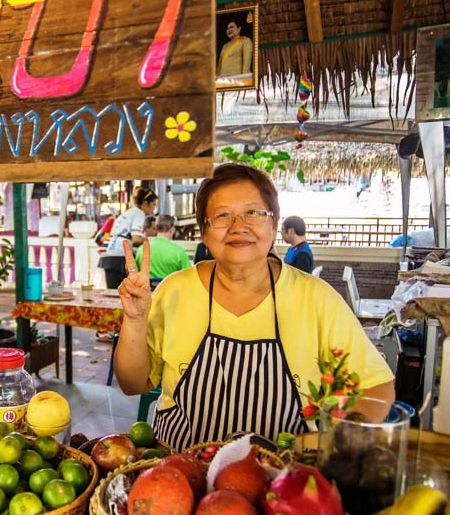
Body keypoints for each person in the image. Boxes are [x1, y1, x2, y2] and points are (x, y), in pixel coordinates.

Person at [113, 164, 394, 451]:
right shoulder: (176, 290)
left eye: (253, 212)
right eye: (222, 215)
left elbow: (376, 386)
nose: (239, 226)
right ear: (205, 233)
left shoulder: (317, 298)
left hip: (283, 483)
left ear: (274, 226)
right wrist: (134, 320)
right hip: (179, 477)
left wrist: (339, 445)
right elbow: (133, 383)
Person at [99, 187, 158, 289]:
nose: (154, 209)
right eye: (153, 204)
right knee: (123, 294)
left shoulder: (129, 212)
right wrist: (153, 240)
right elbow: (135, 239)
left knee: (113, 292)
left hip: (109, 255)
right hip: (120, 257)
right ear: (145, 203)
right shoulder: (139, 213)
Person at [135, 215, 190, 280]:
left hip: (147, 289)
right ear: (172, 230)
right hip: (170, 289)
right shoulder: (179, 252)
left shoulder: (141, 250)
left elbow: (136, 274)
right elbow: (188, 276)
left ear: (156, 229)